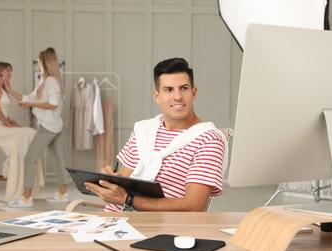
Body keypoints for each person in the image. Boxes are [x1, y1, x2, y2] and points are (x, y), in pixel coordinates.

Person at [85, 57, 227, 212]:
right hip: (109, 222)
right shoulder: (143, 131)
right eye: (168, 89)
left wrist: (127, 199)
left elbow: (193, 206)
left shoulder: (208, 139)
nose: (178, 96)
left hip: (154, 229)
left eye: (184, 88)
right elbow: (123, 182)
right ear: (156, 96)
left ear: (193, 93)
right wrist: (108, 181)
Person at [5, 47, 70, 207]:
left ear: (45, 62)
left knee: (29, 159)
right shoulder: (46, 81)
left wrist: (32, 104)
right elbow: (28, 97)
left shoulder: (50, 82)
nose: (38, 65)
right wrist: (10, 91)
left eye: (39, 62)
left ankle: (26, 198)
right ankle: (63, 194)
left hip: (48, 127)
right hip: (56, 127)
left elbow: (53, 105)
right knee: (59, 160)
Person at [0, 62, 44, 203]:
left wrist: (11, 122)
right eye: (8, 70)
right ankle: (11, 167)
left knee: (30, 133)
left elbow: (3, 112)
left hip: (3, 124)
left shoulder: (3, 88)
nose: (10, 73)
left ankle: (26, 185)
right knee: (25, 137)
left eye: (11, 71)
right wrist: (8, 124)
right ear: (0, 71)